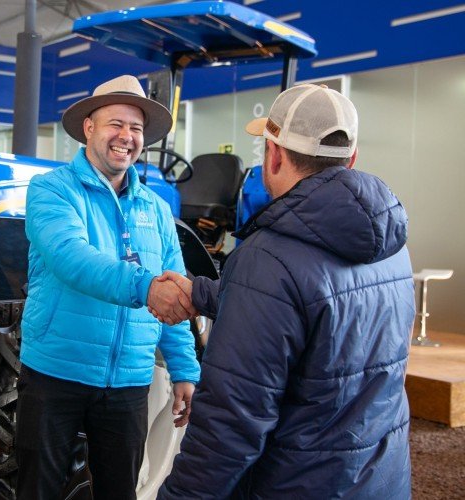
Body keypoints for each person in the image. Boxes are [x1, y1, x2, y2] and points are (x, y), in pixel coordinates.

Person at [156, 84, 415, 498]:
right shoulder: (392, 248)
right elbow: (318, 318)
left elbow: (231, 423)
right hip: (378, 478)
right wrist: (204, 293)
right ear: (351, 158)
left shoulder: (268, 258)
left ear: (273, 155)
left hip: (297, 483)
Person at [17, 74, 201, 499]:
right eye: (115, 124)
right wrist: (145, 286)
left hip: (129, 379)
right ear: (89, 128)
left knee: (120, 490)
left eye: (136, 129)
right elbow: (71, 257)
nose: (126, 137)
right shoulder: (52, 189)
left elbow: (174, 292)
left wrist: (184, 369)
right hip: (56, 369)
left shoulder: (156, 210)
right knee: (37, 488)